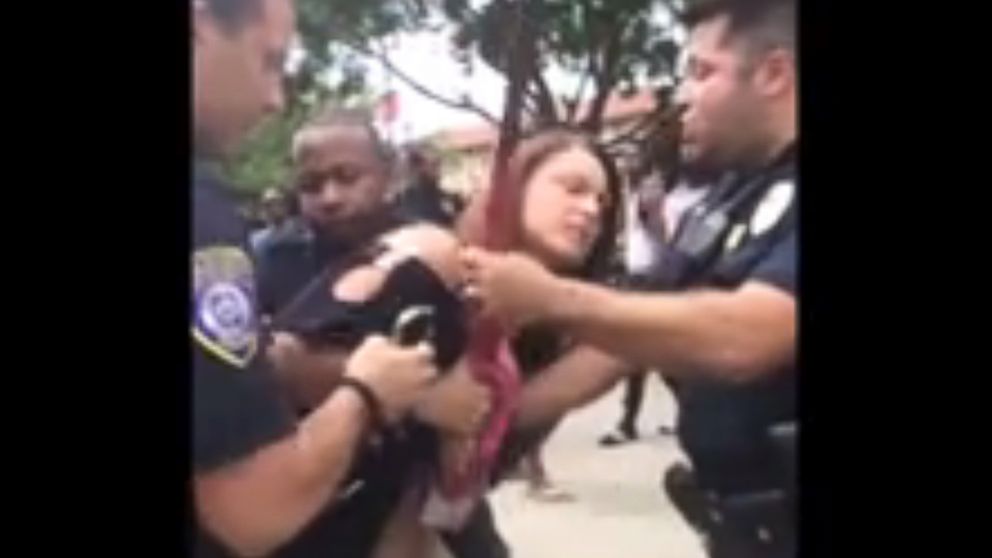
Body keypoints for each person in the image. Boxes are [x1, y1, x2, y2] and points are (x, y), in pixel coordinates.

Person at [460, 1, 798, 557]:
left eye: (702, 72)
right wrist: (479, 420)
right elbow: (620, 342)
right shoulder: (728, 199)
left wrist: (549, 298)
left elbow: (749, 335)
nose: (685, 96)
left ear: (774, 74)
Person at [272, 127, 625, 556]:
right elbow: (277, 358)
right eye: (573, 189)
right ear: (511, 187)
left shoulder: (530, 328)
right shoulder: (431, 258)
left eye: (602, 204)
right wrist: (423, 397)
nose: (589, 210)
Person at [191, 1, 438, 557]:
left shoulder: (429, 250)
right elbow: (251, 510)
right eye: (268, 61)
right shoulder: (211, 226)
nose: (274, 98)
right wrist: (365, 393)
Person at [393, 145, 462, 227]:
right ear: (420, 168)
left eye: (438, 164)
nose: (439, 170)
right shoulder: (403, 202)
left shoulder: (446, 198)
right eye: (434, 164)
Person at [249, 187, 293, 253]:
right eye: (267, 205)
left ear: (285, 206)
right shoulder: (256, 240)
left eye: (278, 203)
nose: (273, 209)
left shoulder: (297, 233)